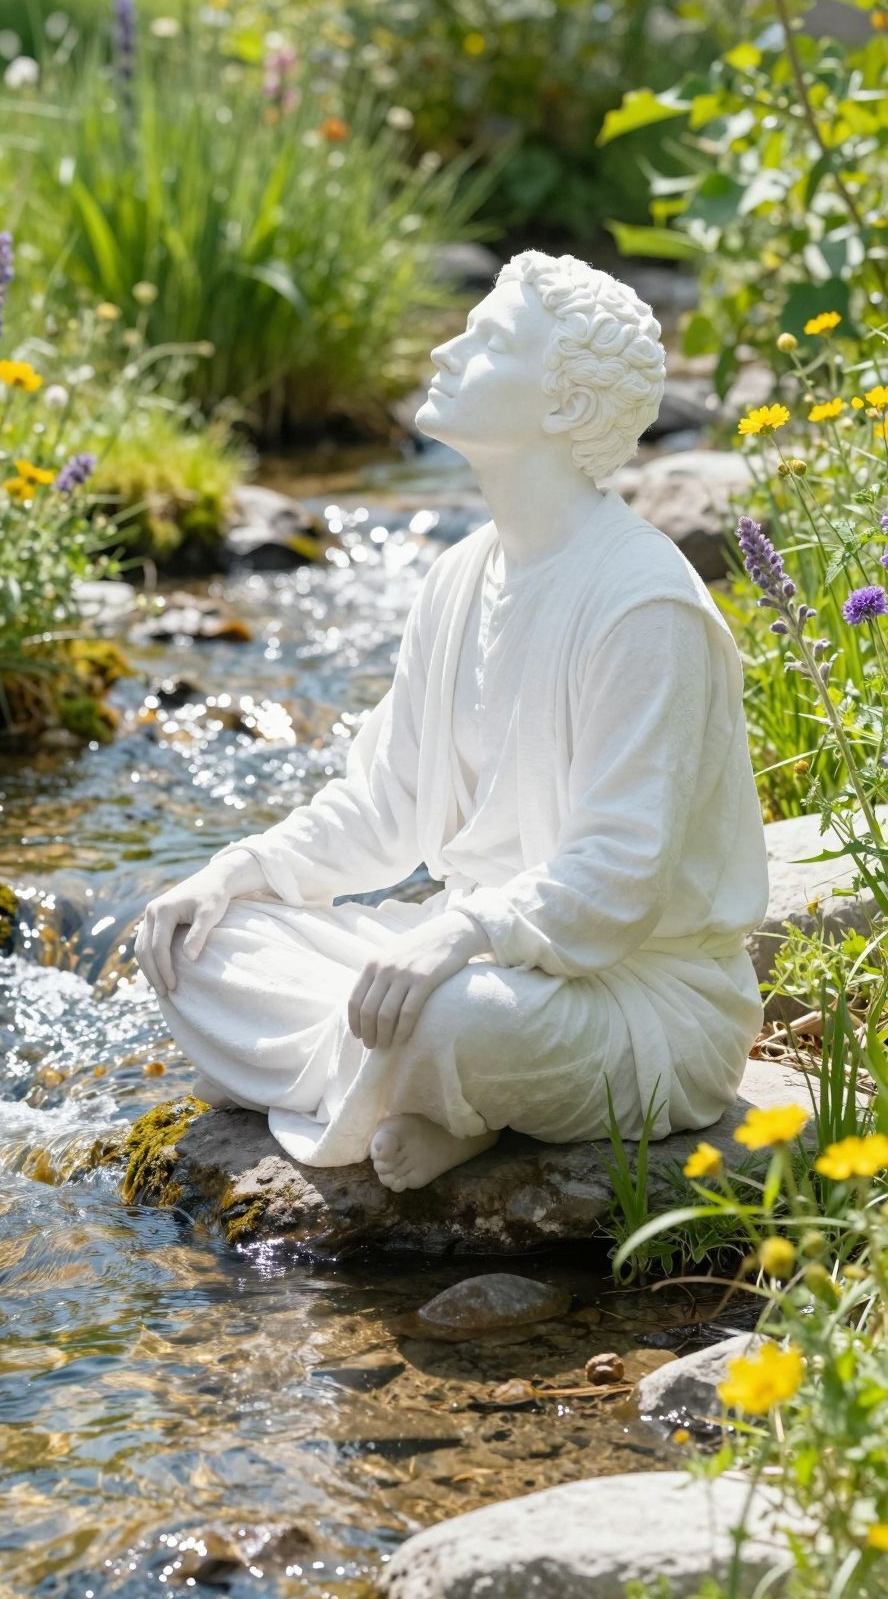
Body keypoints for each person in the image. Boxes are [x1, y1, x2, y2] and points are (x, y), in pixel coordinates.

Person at [135, 251, 769, 1192]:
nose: (446, 346)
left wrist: (461, 933)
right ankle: (424, 1097)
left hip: (635, 996)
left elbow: (618, 876)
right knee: (194, 944)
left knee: (458, 1019)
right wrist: (243, 869)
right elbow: (384, 804)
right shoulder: (461, 572)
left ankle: (411, 1084)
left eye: (488, 338)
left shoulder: (645, 606)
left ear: (566, 407)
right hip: (478, 946)